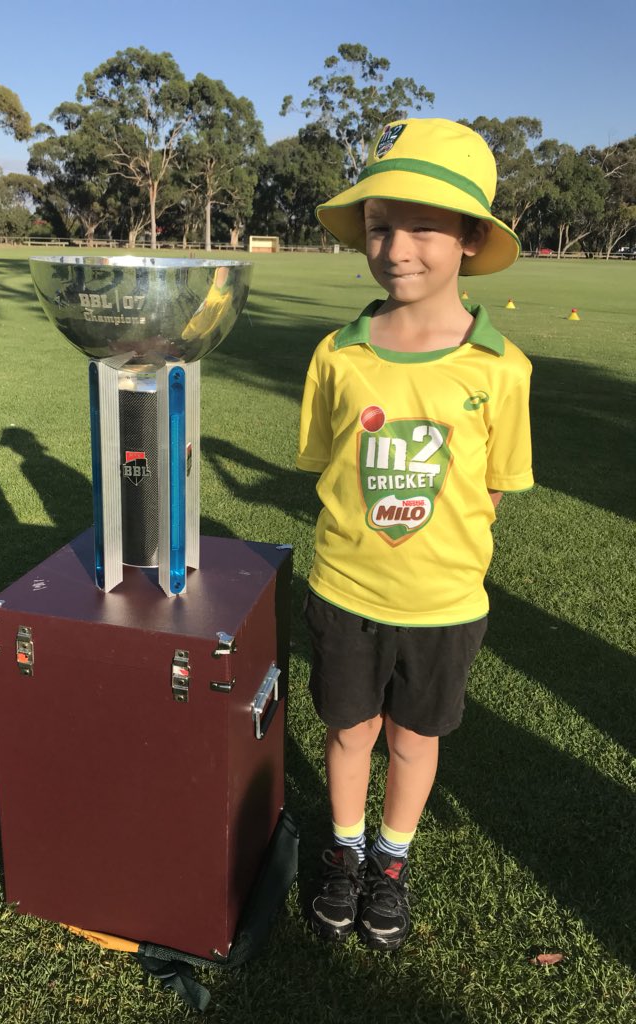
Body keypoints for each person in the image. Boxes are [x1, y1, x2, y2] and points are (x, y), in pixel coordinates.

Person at [297, 118, 533, 951]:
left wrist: (434, 554)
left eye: (424, 224)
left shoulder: (503, 369)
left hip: (443, 604)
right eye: (379, 224)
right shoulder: (338, 354)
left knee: (412, 737)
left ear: (471, 238)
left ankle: (390, 863)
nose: (396, 246)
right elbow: (331, 471)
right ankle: (344, 849)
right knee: (349, 730)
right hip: (346, 590)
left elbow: (493, 492)